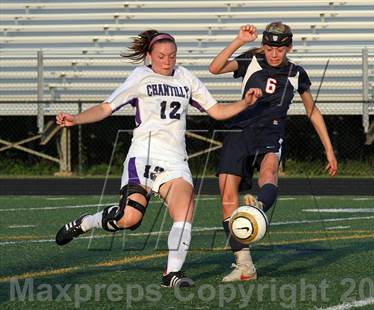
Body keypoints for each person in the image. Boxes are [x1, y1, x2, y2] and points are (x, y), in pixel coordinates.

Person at [55, 30, 261, 288]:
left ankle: (171, 274)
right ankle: (86, 222)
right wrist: (76, 119)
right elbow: (106, 108)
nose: (167, 61)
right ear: (150, 56)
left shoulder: (185, 77)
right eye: (161, 56)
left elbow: (217, 111)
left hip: (175, 162)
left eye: (172, 56)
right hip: (142, 157)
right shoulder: (140, 76)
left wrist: (245, 103)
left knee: (185, 210)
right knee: (129, 219)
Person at [208, 22, 337, 282]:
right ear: (264, 47)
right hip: (240, 130)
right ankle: (244, 265)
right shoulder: (250, 60)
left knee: (269, 171)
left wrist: (329, 151)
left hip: (271, 132)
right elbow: (214, 68)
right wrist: (239, 41)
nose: (274, 54)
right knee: (227, 195)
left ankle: (259, 206)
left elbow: (312, 112)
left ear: (289, 47)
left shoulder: (296, 73)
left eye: (279, 49)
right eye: (269, 48)